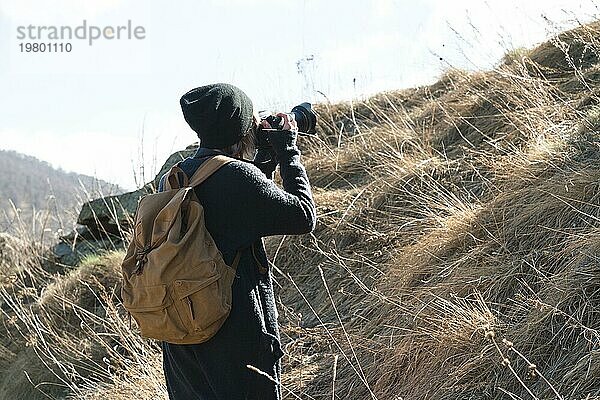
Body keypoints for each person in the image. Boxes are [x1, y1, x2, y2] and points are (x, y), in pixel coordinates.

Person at [158, 83, 317, 399]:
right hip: (233, 340)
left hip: (183, 340)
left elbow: (243, 210)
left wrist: (264, 162)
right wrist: (287, 149)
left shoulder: (177, 177)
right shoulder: (236, 178)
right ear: (242, 127)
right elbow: (303, 216)